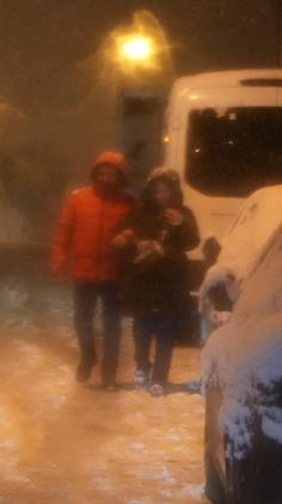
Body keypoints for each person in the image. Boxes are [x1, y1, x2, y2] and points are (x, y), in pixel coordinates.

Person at [51, 151, 135, 390]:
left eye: (112, 174)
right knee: (82, 321)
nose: (106, 177)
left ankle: (109, 373)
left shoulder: (128, 202)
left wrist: (128, 235)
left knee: (112, 326)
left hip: (113, 273)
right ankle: (88, 356)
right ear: (96, 173)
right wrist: (59, 261)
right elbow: (63, 232)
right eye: (102, 173)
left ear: (120, 176)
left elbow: (140, 226)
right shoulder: (78, 199)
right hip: (83, 272)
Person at [117, 168, 199, 396]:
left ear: (173, 192)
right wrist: (136, 243)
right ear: (149, 191)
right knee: (142, 326)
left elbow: (192, 242)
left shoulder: (183, 213)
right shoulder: (140, 213)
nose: (160, 196)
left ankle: (160, 376)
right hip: (144, 278)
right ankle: (142, 365)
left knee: (167, 329)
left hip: (171, 279)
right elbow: (126, 234)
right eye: (156, 191)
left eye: (165, 191)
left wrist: (181, 224)